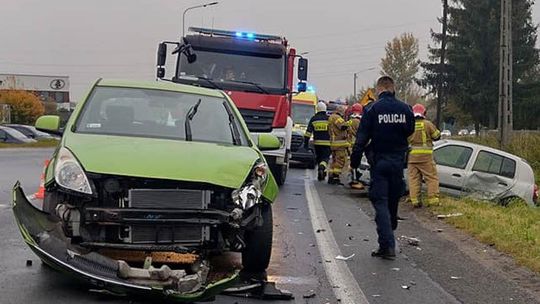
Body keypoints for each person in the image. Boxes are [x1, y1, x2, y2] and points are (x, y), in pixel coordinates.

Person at [350, 76, 415, 259]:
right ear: (393, 89)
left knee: (380, 202)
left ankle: (388, 246)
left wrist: (354, 162)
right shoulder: (405, 109)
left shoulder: (372, 109)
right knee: (392, 201)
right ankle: (390, 228)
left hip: (379, 162)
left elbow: (361, 140)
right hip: (398, 163)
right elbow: (409, 130)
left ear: (378, 90)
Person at [408, 103, 441, 207]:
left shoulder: (409, 124)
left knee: (414, 179)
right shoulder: (427, 124)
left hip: (412, 158)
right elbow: (436, 136)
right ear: (423, 113)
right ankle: (433, 200)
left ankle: (415, 201)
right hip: (426, 158)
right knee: (431, 178)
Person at [304, 102, 331, 181]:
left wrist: (306, 144)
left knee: (319, 158)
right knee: (325, 158)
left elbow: (308, 133)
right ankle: (322, 168)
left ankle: (321, 171)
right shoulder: (328, 119)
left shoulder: (314, 119)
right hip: (327, 143)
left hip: (317, 143)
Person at [327, 105, 350, 185]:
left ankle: (331, 176)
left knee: (334, 160)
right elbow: (343, 126)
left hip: (334, 143)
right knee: (340, 160)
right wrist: (349, 124)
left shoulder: (331, 117)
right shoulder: (337, 117)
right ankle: (335, 177)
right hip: (339, 143)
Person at [347, 104, 364, 190]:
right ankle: (354, 180)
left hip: (349, 144)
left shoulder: (349, 121)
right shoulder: (358, 122)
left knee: (351, 162)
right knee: (355, 163)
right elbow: (360, 133)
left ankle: (352, 179)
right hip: (355, 144)